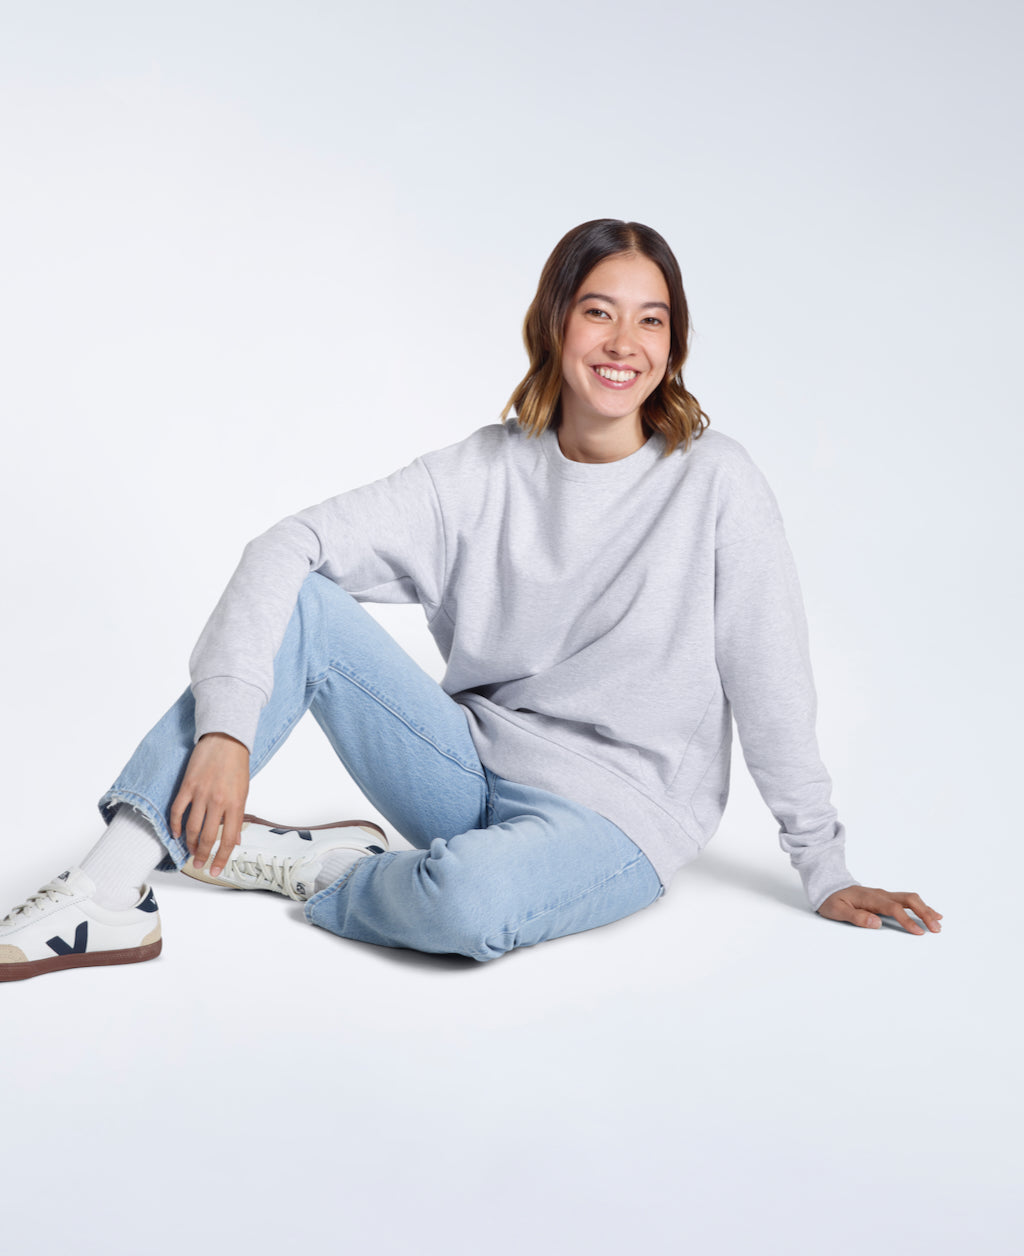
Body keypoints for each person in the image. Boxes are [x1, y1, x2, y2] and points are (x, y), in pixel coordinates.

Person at [0, 219, 943, 981]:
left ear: (674, 343)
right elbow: (288, 546)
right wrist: (227, 729)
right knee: (305, 602)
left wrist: (824, 867)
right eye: (599, 312)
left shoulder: (716, 483)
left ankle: (327, 867)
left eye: (651, 321)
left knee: (464, 906)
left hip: (617, 817)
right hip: (466, 768)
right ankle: (108, 890)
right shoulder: (484, 473)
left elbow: (771, 678)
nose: (624, 344)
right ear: (555, 324)